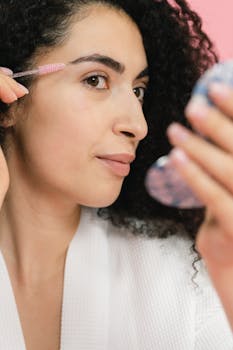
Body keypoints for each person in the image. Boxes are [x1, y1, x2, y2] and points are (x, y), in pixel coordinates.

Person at [0, 0, 232, 349]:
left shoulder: (185, 276)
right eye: (96, 80)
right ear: (9, 99)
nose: (137, 125)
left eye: (138, 92)